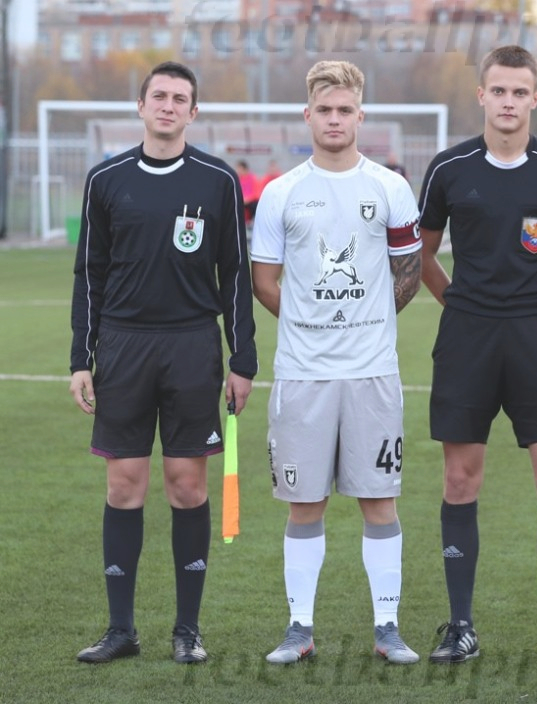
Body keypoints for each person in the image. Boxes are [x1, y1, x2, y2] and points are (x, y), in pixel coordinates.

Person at [69, 61, 258, 664]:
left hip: (191, 347)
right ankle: (121, 630)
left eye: (180, 98)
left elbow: (235, 274)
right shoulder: (106, 179)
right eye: (159, 96)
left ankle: (187, 630)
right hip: (123, 347)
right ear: (141, 105)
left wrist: (243, 359)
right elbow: (89, 274)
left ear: (193, 112)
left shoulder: (217, 180)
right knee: (124, 485)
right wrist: (81, 357)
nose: (168, 106)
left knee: (186, 485)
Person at [417, 45, 537, 665]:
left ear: (535, 98)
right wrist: (458, 303)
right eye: (499, 90)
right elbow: (423, 253)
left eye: (520, 92)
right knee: (460, 479)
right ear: (482, 96)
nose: (509, 101)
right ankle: (460, 626)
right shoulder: (448, 168)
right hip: (467, 336)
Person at [250, 60, 423, 666]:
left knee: (380, 501)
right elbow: (264, 281)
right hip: (303, 374)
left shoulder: (390, 187)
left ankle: (388, 627)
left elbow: (409, 274)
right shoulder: (281, 193)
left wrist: (365, 320)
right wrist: (310, 322)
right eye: (324, 110)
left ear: (360, 116)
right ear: (308, 115)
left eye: (344, 110)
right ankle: (299, 628)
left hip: (372, 372)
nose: (334, 119)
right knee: (305, 503)